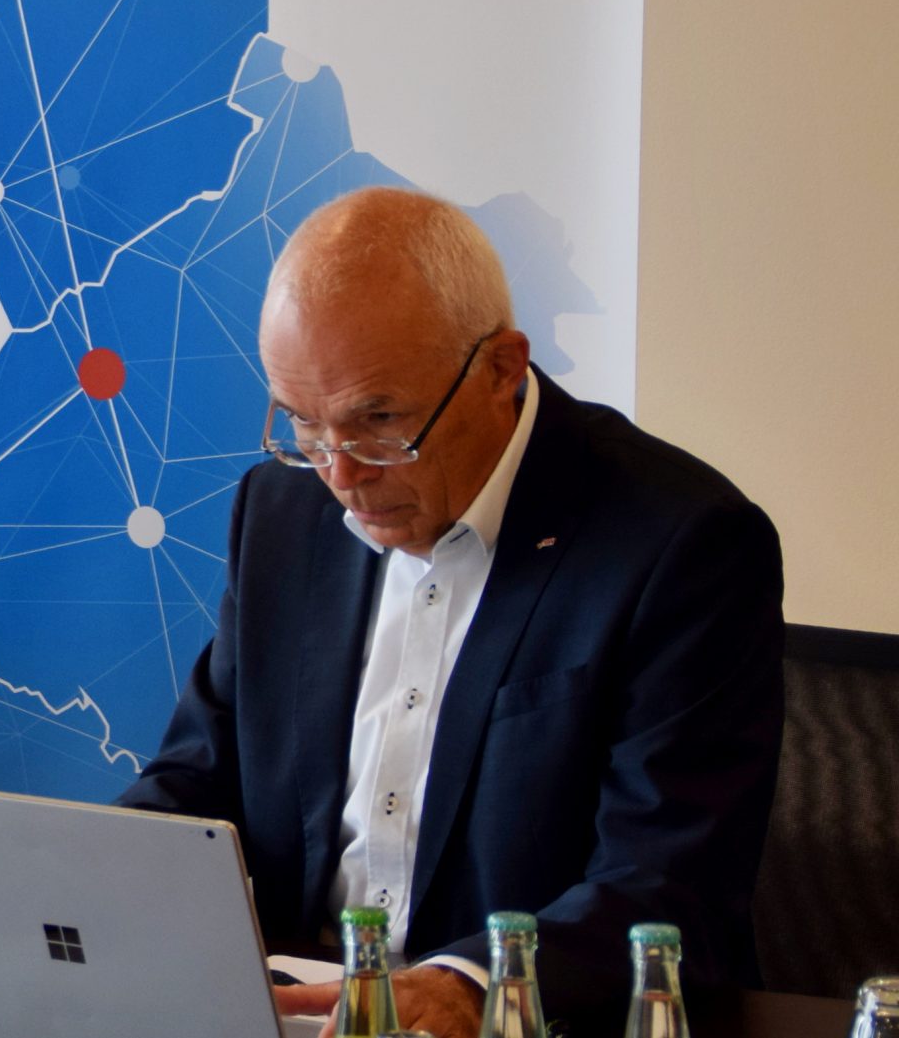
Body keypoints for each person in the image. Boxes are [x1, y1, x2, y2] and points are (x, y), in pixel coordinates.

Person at [118, 188, 782, 1034]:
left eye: (378, 421)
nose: (340, 475)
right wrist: (78, 881)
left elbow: (670, 886)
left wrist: (469, 983)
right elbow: (199, 782)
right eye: (305, 425)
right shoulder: (282, 511)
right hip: (299, 1009)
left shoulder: (679, 543)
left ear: (501, 368)